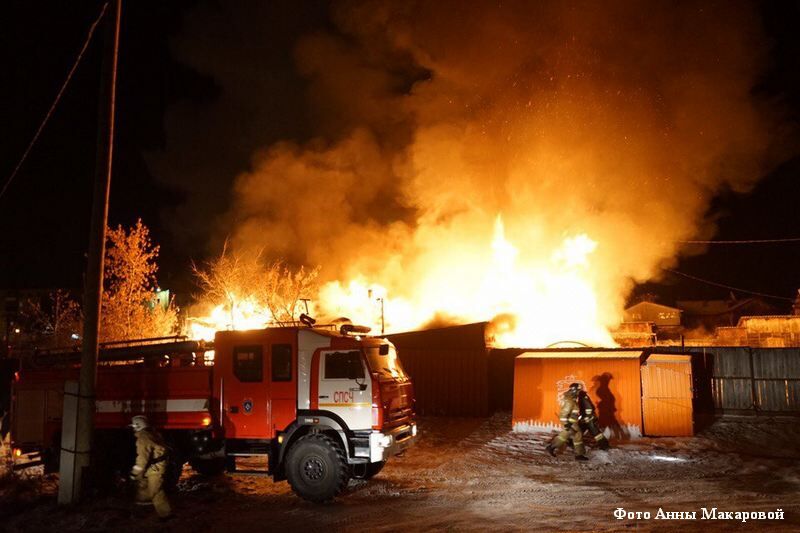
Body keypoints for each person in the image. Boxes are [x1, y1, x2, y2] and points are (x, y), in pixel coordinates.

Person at [129, 415, 172, 520]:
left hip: (154, 468)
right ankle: (140, 511)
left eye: (134, 426)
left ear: (138, 426)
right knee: (143, 488)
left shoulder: (143, 438)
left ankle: (165, 515)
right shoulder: (152, 433)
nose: (133, 429)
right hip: (155, 466)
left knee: (155, 491)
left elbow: (142, 459)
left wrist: (134, 473)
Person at [545, 383, 588, 461]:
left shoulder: (572, 398)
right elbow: (563, 415)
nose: (579, 392)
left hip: (573, 422)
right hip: (570, 423)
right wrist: (567, 425)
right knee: (567, 435)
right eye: (578, 390)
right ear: (574, 391)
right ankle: (551, 447)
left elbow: (573, 412)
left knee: (574, 435)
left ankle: (579, 454)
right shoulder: (570, 401)